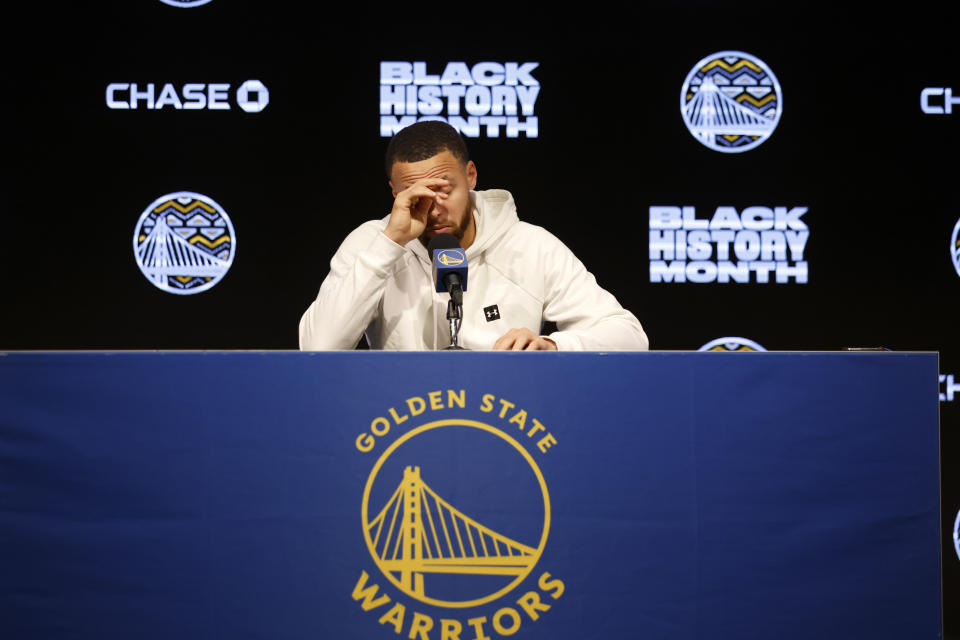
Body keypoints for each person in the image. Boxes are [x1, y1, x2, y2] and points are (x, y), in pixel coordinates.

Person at [298, 121, 648, 351]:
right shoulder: (372, 244)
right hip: (400, 424)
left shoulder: (529, 245)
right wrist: (389, 245)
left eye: (444, 190)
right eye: (416, 195)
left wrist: (552, 347)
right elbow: (317, 349)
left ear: (471, 176)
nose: (433, 210)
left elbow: (629, 336)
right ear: (394, 192)